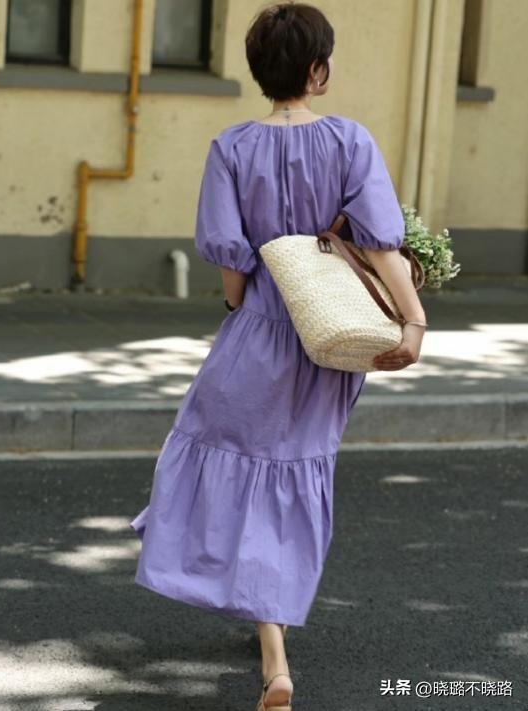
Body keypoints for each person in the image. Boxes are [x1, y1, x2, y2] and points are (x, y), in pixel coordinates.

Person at [129, 2, 427, 708]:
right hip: (331, 341)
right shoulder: (350, 141)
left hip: (261, 329)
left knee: (222, 453)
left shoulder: (230, 148)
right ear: (317, 72)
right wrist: (411, 323)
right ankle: (271, 642)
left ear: (259, 72)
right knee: (294, 472)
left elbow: (232, 272)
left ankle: (273, 654)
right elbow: (381, 244)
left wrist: (239, 309)